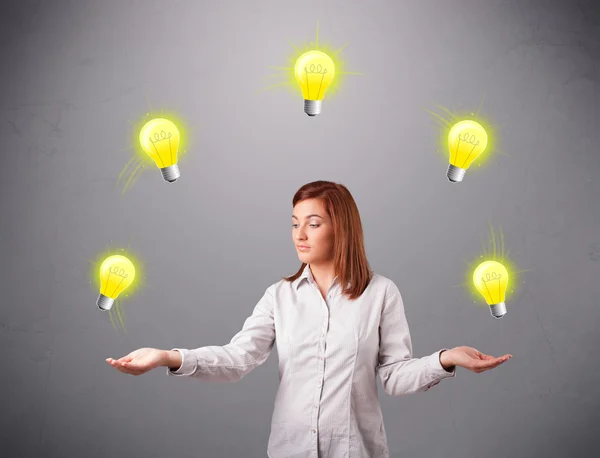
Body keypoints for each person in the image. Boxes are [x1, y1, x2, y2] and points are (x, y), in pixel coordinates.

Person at [107, 180, 512, 457]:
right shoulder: (278, 296)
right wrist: (166, 356)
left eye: (313, 224)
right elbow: (237, 359)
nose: (300, 234)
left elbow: (394, 376)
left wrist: (446, 359)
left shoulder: (381, 292)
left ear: (341, 228)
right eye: (295, 223)